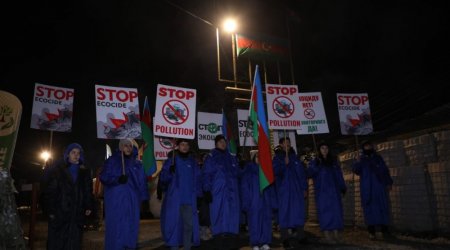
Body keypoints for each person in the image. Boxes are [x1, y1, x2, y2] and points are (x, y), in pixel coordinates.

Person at [100, 139, 149, 250]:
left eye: (130, 146)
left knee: (130, 227)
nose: (127, 148)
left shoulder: (137, 164)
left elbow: (142, 183)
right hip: (115, 201)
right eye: (125, 145)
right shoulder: (112, 161)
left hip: (132, 200)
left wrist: (145, 199)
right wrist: (117, 180)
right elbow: (103, 177)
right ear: (120, 147)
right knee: (116, 228)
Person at [43, 143, 94, 250]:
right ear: (67, 154)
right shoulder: (58, 171)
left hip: (77, 211)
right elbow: (51, 191)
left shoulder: (84, 172)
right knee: (58, 239)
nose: (76, 155)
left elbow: (87, 190)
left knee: (75, 238)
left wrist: (88, 205)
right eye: (73, 152)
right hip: (61, 210)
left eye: (78, 153)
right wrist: (51, 210)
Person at [159, 138, 202, 250]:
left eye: (187, 144)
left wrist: (199, 196)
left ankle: (187, 247)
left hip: (188, 200)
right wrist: (169, 171)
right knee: (174, 225)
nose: (185, 146)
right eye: (182, 144)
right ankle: (174, 247)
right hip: (174, 200)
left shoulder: (193, 162)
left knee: (189, 226)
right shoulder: (171, 160)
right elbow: (163, 179)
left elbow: (197, 179)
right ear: (177, 146)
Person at [202, 134, 240, 249]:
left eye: (224, 141)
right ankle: (219, 243)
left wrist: (241, 165)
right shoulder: (211, 157)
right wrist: (207, 190)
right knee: (218, 215)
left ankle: (231, 243)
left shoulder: (232, 157)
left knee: (232, 216)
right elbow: (206, 175)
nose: (223, 143)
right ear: (216, 144)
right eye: (220, 142)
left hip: (232, 193)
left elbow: (238, 174)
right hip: (218, 192)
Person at [352, 140, 393, 240]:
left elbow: (384, 170)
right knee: (369, 208)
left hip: (379, 187)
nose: (367, 148)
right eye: (365, 146)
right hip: (367, 188)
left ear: (372, 147)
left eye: (369, 146)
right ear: (363, 148)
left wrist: (388, 182)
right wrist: (357, 162)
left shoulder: (378, 158)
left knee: (382, 207)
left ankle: (384, 230)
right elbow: (356, 171)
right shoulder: (361, 159)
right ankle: (371, 231)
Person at [307, 143, 346, 244]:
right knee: (325, 212)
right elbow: (309, 173)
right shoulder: (315, 161)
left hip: (334, 191)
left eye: (326, 148)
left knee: (336, 212)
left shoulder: (333, 161)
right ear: (319, 150)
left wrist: (342, 186)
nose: (324, 150)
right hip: (322, 192)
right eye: (322, 148)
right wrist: (317, 165)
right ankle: (327, 235)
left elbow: (338, 175)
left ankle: (336, 234)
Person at [272, 137, 308, 249]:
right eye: (284, 143)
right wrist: (284, 163)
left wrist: (304, 188)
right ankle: (285, 239)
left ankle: (301, 236)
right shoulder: (277, 158)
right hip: (284, 191)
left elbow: (301, 174)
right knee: (284, 214)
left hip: (296, 190)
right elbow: (274, 172)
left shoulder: (295, 158)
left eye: (288, 142)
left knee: (298, 212)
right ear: (281, 145)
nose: (287, 144)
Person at [240, 150, 277, 250]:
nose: (259, 159)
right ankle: (255, 243)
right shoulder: (248, 171)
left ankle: (265, 241)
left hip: (266, 201)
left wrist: (273, 202)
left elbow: (271, 188)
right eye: (257, 157)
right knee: (254, 222)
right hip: (254, 201)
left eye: (261, 157)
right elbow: (244, 188)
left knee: (266, 221)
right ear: (253, 159)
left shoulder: (266, 172)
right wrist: (246, 203)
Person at [196, 152, 212, 241]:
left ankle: (209, 231)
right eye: (204, 158)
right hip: (202, 195)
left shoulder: (212, 168)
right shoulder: (198, 168)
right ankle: (202, 232)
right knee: (203, 215)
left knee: (209, 214)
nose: (206, 160)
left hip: (209, 194)